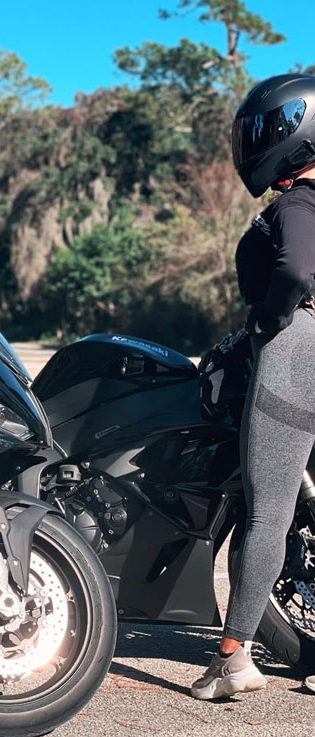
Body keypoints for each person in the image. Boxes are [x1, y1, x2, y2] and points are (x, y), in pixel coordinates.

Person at [191, 73, 315, 700]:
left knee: (267, 513)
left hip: (298, 351)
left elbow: (294, 267)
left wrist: (267, 322)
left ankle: (233, 662)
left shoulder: (299, 202)